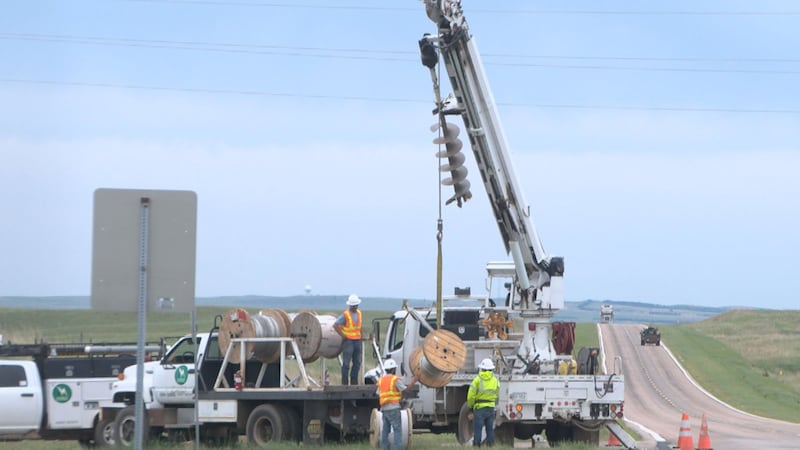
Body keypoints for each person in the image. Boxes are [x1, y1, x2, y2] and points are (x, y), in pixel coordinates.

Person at [376, 358, 416, 450]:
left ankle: (384, 448)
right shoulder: (395, 379)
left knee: (385, 431)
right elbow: (406, 390)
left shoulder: (381, 380)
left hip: (384, 409)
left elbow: (378, 393)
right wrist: (413, 382)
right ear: (393, 369)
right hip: (393, 408)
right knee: (397, 430)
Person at [467, 358, 499, 447]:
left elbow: (471, 396)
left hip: (479, 408)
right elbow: (497, 394)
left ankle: (477, 446)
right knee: (490, 429)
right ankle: (490, 446)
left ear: (482, 368)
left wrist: (470, 406)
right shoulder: (495, 380)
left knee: (478, 429)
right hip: (491, 408)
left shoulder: (477, 380)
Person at [334, 294, 363, 385]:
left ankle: (354, 382)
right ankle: (345, 383)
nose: (355, 307)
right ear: (351, 305)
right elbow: (336, 325)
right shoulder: (345, 315)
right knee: (346, 364)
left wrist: (361, 335)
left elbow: (359, 326)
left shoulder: (359, 313)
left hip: (357, 340)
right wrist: (343, 336)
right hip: (348, 342)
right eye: (354, 305)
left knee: (357, 363)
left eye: (356, 305)